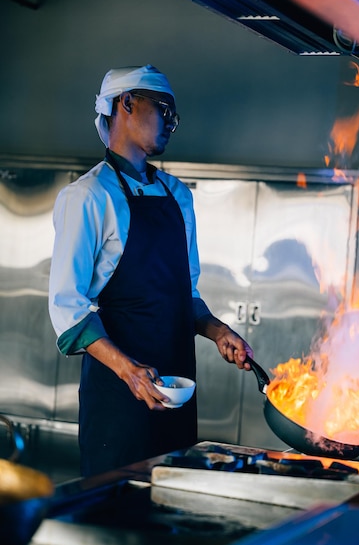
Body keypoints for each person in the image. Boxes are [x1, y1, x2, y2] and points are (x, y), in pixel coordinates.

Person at [48, 65, 253, 477]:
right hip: (119, 395)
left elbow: (185, 295)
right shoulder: (88, 196)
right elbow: (67, 311)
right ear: (127, 103)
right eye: (164, 111)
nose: (170, 125)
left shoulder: (177, 195)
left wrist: (218, 332)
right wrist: (130, 372)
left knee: (171, 502)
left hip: (176, 389)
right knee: (115, 510)